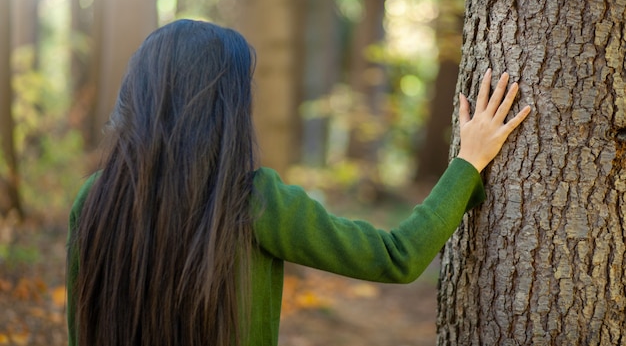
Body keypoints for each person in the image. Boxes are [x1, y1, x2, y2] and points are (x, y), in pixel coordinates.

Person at [66, 19, 531, 346]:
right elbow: (397, 256)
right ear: (222, 112)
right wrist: (469, 162)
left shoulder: (94, 198)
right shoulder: (253, 200)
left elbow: (79, 328)